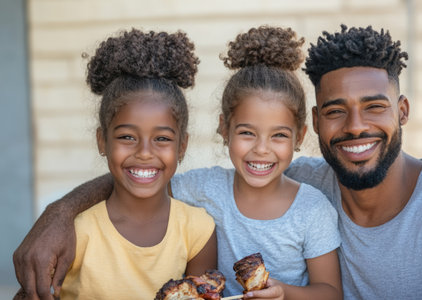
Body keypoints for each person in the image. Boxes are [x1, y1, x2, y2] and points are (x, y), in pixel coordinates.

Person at [13, 26, 342, 300]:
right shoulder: (202, 189)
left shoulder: (311, 210)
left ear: (300, 136)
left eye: (279, 136)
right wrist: (60, 213)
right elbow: (139, 183)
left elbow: (331, 293)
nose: (261, 149)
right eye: (246, 132)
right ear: (223, 129)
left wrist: (283, 292)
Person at [15, 28, 218, 300]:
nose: (145, 152)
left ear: (182, 146)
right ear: (102, 141)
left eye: (161, 138)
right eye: (126, 137)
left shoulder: (197, 230)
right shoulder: (75, 233)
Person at [284, 25, 422, 299]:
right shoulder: (296, 186)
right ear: (315, 121)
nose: (356, 127)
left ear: (402, 111)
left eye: (374, 107)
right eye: (336, 111)